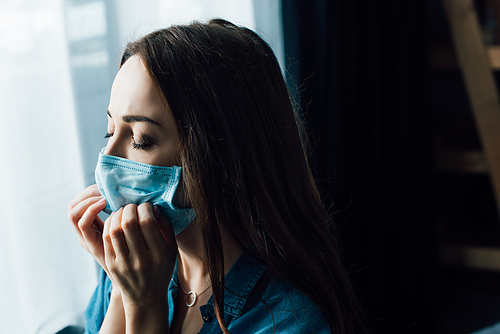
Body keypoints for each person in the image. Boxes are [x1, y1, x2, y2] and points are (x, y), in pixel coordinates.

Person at [68, 19, 369, 334]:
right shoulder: (132, 267)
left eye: (142, 139)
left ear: (223, 155)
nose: (109, 158)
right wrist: (120, 291)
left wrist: (143, 309)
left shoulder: (288, 320)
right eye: (110, 131)